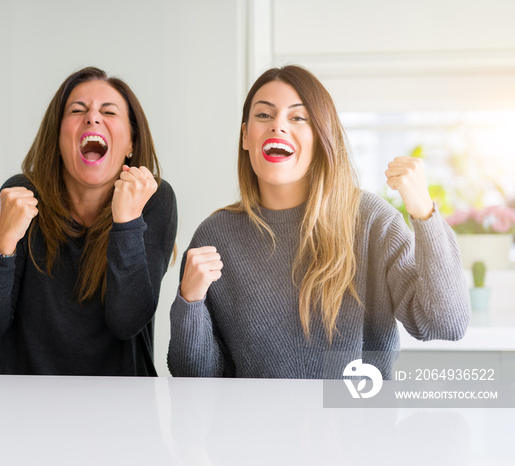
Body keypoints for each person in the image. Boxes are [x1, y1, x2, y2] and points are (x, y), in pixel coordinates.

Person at [167, 65, 469, 379]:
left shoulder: (371, 220)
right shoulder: (216, 235)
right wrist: (189, 302)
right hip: (253, 427)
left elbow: (445, 324)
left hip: (360, 426)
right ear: (246, 136)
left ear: (321, 136)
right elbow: (193, 375)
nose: (278, 126)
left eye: (298, 117)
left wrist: (424, 211)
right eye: (263, 115)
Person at [0, 67, 177, 376]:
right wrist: (3, 242)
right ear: (59, 137)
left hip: (122, 408)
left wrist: (127, 222)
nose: (92, 117)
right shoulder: (19, 196)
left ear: (131, 143)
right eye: (78, 110)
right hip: (23, 408)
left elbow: (126, 322)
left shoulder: (154, 199)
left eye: (109, 111)